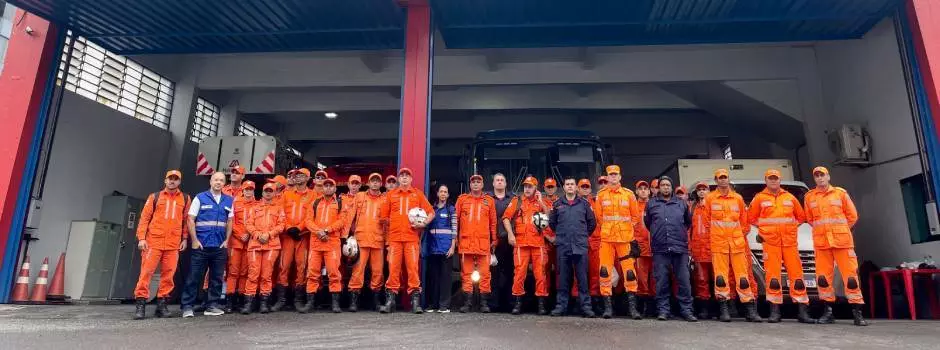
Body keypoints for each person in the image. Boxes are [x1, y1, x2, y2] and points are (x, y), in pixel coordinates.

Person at [748, 169, 814, 324]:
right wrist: (764, 230)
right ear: (766, 180)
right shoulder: (759, 198)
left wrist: (791, 229)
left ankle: (802, 311)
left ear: (779, 180)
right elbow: (750, 218)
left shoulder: (790, 198)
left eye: (775, 178)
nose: (773, 181)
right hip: (771, 243)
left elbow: (801, 217)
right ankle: (775, 311)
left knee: (797, 276)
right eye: (770, 178)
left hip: (789, 242)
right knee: (773, 277)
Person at [804, 166, 866, 326]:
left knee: (851, 278)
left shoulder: (841, 194)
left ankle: (857, 313)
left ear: (828, 176)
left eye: (822, 175)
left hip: (842, 243)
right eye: (816, 176)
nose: (820, 178)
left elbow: (852, 216)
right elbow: (811, 219)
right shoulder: (809, 197)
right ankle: (828, 312)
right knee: (823, 279)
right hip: (822, 243)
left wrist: (841, 230)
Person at [705, 169, 762, 322]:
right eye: (720, 178)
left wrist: (737, 236)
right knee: (721, 278)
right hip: (719, 244)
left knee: (743, 277)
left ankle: (749, 310)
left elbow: (745, 223)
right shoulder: (710, 199)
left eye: (725, 177)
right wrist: (717, 236)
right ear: (716, 180)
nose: (723, 180)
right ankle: (724, 309)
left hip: (737, 244)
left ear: (728, 179)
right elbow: (706, 222)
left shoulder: (738, 198)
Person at [133, 170, 191, 319]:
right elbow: (144, 219)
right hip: (153, 242)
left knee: (168, 275)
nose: (172, 181)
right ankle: (140, 304)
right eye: (170, 178)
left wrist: (184, 238)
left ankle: (162, 304)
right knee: (146, 273)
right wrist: (141, 238)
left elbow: (186, 221)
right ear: (165, 180)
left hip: (173, 244)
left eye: (175, 179)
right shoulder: (155, 197)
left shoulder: (185, 198)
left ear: (179, 182)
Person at [380, 168, 433, 314]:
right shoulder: (391, 195)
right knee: (393, 270)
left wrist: (423, 223)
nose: (404, 178)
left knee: (413, 270)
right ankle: (390, 302)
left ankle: (415, 303)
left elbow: (431, 213)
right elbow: (383, 217)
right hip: (395, 239)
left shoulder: (417, 194)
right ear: (398, 179)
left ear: (411, 179)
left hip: (411, 239)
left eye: (407, 176)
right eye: (401, 176)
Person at [182, 172, 234, 318]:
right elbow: (190, 219)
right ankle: (187, 306)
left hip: (219, 246)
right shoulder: (200, 197)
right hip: (201, 245)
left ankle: (212, 305)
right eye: (216, 179)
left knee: (216, 278)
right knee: (194, 277)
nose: (218, 182)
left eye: (221, 180)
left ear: (225, 183)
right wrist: (195, 240)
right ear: (210, 181)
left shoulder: (229, 200)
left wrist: (226, 241)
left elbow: (230, 221)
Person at [644, 176, 696, 322]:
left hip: (680, 248)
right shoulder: (651, 204)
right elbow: (648, 223)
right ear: (659, 188)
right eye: (663, 185)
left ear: (671, 187)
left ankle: (686, 310)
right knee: (661, 281)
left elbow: (687, 223)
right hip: (660, 249)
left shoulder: (681, 204)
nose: (665, 187)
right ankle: (663, 310)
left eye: (668, 185)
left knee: (684, 281)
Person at [593, 165, 642, 319]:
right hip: (607, 239)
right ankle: (608, 308)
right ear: (607, 177)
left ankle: (632, 309)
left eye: (616, 174)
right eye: (610, 175)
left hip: (625, 239)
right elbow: (599, 218)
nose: (613, 177)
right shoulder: (601, 195)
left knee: (629, 273)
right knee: (604, 272)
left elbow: (635, 217)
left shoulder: (629, 195)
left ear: (620, 177)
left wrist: (625, 229)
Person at [503, 176, 553, 316]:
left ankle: (541, 305)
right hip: (521, 243)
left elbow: (549, 217)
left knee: (540, 275)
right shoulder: (517, 201)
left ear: (536, 188)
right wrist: (510, 234)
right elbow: (506, 218)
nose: (527, 188)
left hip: (538, 244)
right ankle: (518, 303)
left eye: (530, 186)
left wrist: (541, 201)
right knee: (519, 274)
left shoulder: (541, 202)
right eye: (525, 186)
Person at [549, 178, 597, 318]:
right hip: (563, 246)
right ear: (564, 187)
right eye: (567, 184)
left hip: (580, 246)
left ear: (576, 187)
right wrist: (562, 235)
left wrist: (582, 236)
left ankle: (586, 307)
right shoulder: (557, 204)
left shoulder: (584, 204)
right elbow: (552, 223)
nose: (570, 187)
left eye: (572, 184)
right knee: (563, 279)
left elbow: (592, 223)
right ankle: (561, 307)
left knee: (582, 279)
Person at [300, 178, 348, 313]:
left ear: (335, 188)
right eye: (325, 186)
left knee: (334, 273)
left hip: (331, 243)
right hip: (316, 242)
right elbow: (308, 221)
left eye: (330, 185)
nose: (327, 188)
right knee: (312, 273)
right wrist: (318, 231)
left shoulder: (339, 203)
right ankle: (310, 303)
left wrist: (326, 230)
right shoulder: (315, 202)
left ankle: (335, 304)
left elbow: (342, 221)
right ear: (322, 188)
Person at [273, 168, 317, 312]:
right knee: (283, 266)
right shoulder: (286, 194)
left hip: (302, 236)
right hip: (287, 236)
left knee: (301, 267)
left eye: (301, 175)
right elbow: (281, 213)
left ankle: (298, 299)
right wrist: (288, 228)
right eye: (296, 175)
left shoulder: (313, 195)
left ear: (308, 178)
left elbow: (311, 215)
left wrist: (299, 228)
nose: (298, 177)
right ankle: (282, 299)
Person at [454, 176, 498, 313]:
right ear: (470, 185)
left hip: (483, 244)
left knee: (485, 274)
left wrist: (494, 239)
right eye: (473, 182)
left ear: (483, 184)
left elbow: (493, 222)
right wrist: (454, 238)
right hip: (466, 243)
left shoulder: (489, 201)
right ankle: (467, 303)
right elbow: (456, 220)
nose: (476, 184)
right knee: (466, 274)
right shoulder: (462, 199)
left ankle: (484, 303)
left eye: (478, 182)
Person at [347, 173, 389, 312]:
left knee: (378, 272)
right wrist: (345, 236)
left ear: (381, 184)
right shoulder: (359, 196)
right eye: (373, 181)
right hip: (361, 240)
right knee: (357, 272)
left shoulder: (385, 199)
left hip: (378, 241)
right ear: (368, 183)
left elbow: (388, 221)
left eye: (378, 181)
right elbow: (350, 217)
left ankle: (375, 301)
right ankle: (354, 301)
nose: (375, 183)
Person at [242, 182, 284, 314]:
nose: (268, 193)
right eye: (266, 190)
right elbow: (248, 224)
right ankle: (249, 304)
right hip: (255, 244)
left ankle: (264, 304)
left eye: (270, 191)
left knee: (266, 274)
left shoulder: (278, 208)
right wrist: (257, 234)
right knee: (253, 274)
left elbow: (282, 225)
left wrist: (269, 234)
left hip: (272, 245)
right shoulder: (254, 208)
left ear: (275, 193)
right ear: (262, 192)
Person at [224, 180, 256, 313]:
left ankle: (241, 300)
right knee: (233, 272)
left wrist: (248, 234)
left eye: (251, 189)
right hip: (236, 242)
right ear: (242, 190)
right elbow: (230, 221)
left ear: (254, 190)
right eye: (246, 189)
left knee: (244, 273)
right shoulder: (235, 203)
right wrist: (239, 234)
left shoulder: (258, 204)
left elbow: (257, 222)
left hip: (249, 243)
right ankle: (230, 302)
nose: (248, 191)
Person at [425, 184, 457, 312]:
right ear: (437, 194)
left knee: (445, 278)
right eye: (441, 191)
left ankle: (444, 306)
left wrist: (453, 247)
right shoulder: (431, 209)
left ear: (448, 195)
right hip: (433, 249)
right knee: (433, 277)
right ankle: (433, 305)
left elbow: (454, 229)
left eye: (445, 192)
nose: (443, 194)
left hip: (446, 249)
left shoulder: (451, 210)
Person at [489, 173, 516, 312]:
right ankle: (493, 304)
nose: (499, 182)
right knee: (493, 273)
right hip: (493, 241)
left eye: (502, 180)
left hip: (509, 241)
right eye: (497, 180)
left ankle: (510, 303)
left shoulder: (513, 199)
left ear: (506, 184)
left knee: (511, 272)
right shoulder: (487, 199)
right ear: (493, 183)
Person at [689, 182, 714, 319]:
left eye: (704, 189)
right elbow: (688, 229)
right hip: (698, 250)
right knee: (701, 280)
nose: (702, 192)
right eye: (699, 190)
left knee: (718, 279)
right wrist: (690, 247)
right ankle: (704, 309)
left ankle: (719, 308)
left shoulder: (714, 207)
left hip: (714, 248)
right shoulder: (692, 208)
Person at [634, 180, 656, 317]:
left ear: (649, 191)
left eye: (645, 188)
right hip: (639, 249)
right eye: (640, 188)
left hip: (655, 248)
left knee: (656, 279)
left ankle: (654, 307)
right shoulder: (633, 206)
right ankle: (642, 306)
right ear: (636, 191)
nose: (643, 191)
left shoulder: (655, 205)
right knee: (641, 279)